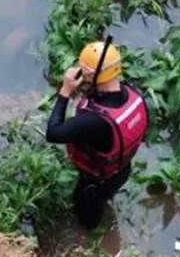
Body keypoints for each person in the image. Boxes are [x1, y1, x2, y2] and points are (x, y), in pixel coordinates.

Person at [46, 41, 149, 229]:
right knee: (103, 199)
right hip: (122, 171)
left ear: (90, 75)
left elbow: (53, 133)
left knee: (86, 214)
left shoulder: (93, 121)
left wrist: (65, 91)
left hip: (94, 182)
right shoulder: (134, 95)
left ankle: (90, 234)